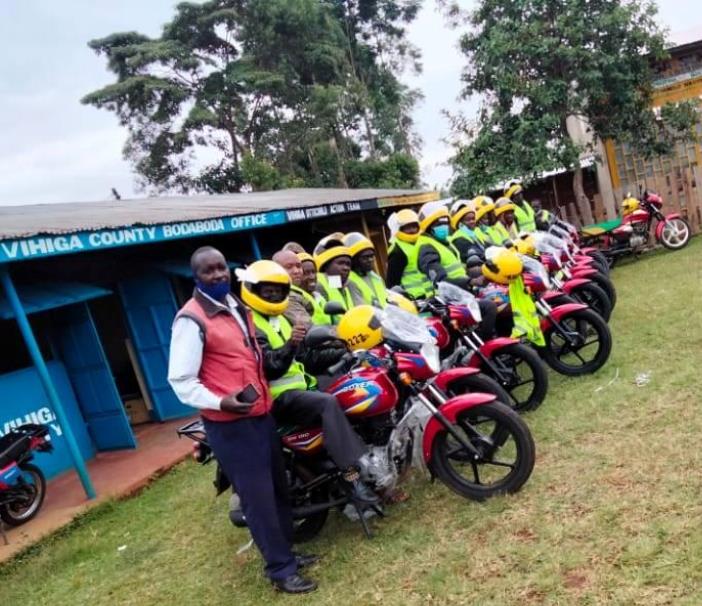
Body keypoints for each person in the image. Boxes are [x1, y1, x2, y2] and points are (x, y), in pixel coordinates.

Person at [167, 246, 317, 595]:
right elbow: (181, 381)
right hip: (231, 424)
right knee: (259, 499)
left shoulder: (236, 306)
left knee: (279, 491)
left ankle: (288, 553)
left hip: (260, 415)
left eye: (221, 268)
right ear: (196, 277)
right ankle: (281, 571)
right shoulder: (191, 320)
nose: (218, 275)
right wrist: (220, 401)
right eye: (209, 271)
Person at [237, 260, 377, 505]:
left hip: (301, 391)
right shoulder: (249, 326)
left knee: (351, 388)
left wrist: (346, 352)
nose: (274, 295)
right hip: (277, 398)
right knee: (327, 404)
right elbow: (269, 367)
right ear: (253, 290)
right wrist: (290, 344)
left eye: (279, 291)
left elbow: (307, 358)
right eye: (267, 291)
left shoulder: (280, 320)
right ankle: (352, 477)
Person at [416, 201, 498, 341]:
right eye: (438, 224)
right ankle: (486, 349)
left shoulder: (445, 243)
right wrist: (471, 281)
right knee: (488, 307)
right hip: (441, 302)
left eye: (445, 222)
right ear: (429, 227)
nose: (444, 227)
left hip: (457, 294)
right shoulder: (426, 248)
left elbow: (459, 269)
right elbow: (440, 280)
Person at [385, 209, 433, 299]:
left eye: (414, 226)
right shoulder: (397, 251)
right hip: (413, 299)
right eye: (407, 227)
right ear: (400, 229)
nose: (411, 230)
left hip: (432, 296)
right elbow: (392, 284)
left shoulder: (425, 242)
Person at [313, 234, 354, 321]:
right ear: (326, 265)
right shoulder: (319, 284)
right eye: (340, 263)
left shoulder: (342, 285)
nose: (346, 268)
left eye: (348, 264)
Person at [343, 232, 389, 308]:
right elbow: (359, 308)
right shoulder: (349, 281)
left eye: (372, 256)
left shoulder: (376, 277)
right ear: (354, 260)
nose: (370, 260)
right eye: (365, 257)